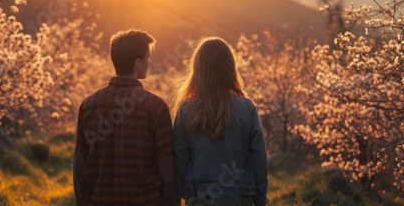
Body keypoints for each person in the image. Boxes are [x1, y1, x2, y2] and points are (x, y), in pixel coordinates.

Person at [73, 29, 177, 206]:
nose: (150, 62)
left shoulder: (88, 105)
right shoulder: (156, 107)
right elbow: (167, 170)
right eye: (148, 57)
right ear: (138, 63)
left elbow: (79, 167)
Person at [172, 36, 268, 206]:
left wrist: (175, 200)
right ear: (230, 68)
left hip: (199, 198)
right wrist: (259, 201)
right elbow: (259, 160)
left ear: (197, 69)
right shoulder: (247, 109)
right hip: (238, 198)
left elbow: (179, 162)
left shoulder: (186, 110)